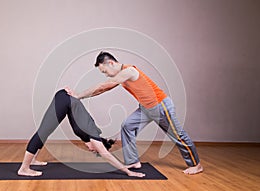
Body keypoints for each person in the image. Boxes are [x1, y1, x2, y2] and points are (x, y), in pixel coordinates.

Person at [66, 51, 203, 175]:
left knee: (178, 136)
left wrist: (78, 96)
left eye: (105, 71)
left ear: (111, 63)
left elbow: (103, 87)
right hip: (145, 108)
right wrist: (79, 96)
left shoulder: (129, 71)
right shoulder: (122, 76)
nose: (106, 74)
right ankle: (133, 161)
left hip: (160, 106)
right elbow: (103, 89)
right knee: (127, 126)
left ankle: (196, 165)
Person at [17, 89, 145, 177]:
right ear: (98, 144)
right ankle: (24, 168)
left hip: (65, 99)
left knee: (45, 132)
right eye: (95, 150)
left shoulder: (87, 136)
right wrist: (127, 171)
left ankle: (32, 160)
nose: (91, 150)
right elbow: (107, 155)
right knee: (43, 132)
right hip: (64, 99)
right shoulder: (93, 134)